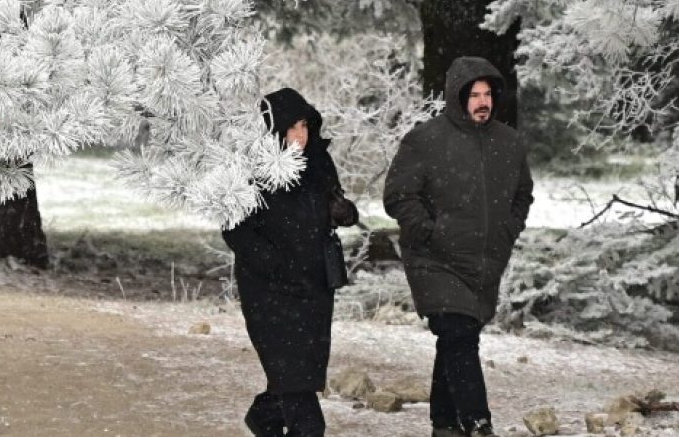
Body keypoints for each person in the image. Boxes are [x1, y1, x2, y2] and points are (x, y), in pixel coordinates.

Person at [384, 56, 534, 437]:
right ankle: (477, 421)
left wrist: (507, 231)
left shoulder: (509, 143)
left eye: (488, 94)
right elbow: (399, 195)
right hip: (434, 260)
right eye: (474, 95)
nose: (483, 102)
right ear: (457, 97)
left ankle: (445, 425)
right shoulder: (426, 139)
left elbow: (523, 195)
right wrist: (428, 231)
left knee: (456, 338)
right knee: (459, 334)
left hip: (484, 261)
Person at [222, 88, 358, 437]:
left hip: (314, 287)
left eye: (304, 126)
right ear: (273, 129)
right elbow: (234, 228)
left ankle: (264, 417)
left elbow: (332, 204)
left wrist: (342, 212)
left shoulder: (318, 161)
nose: (301, 135)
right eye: (292, 127)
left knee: (298, 377)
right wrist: (273, 264)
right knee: (301, 400)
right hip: (269, 290)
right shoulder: (249, 169)